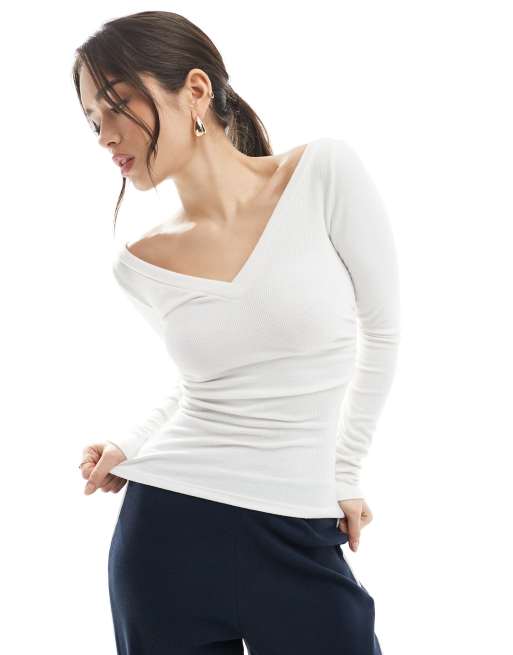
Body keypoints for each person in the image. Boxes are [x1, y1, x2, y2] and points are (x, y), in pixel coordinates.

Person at [74, 10, 400, 655]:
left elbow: (382, 333)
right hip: (164, 534)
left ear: (195, 90)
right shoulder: (139, 262)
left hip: (299, 529)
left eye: (118, 104)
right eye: (92, 120)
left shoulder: (321, 174)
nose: (105, 135)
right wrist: (129, 443)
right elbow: (205, 382)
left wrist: (345, 474)